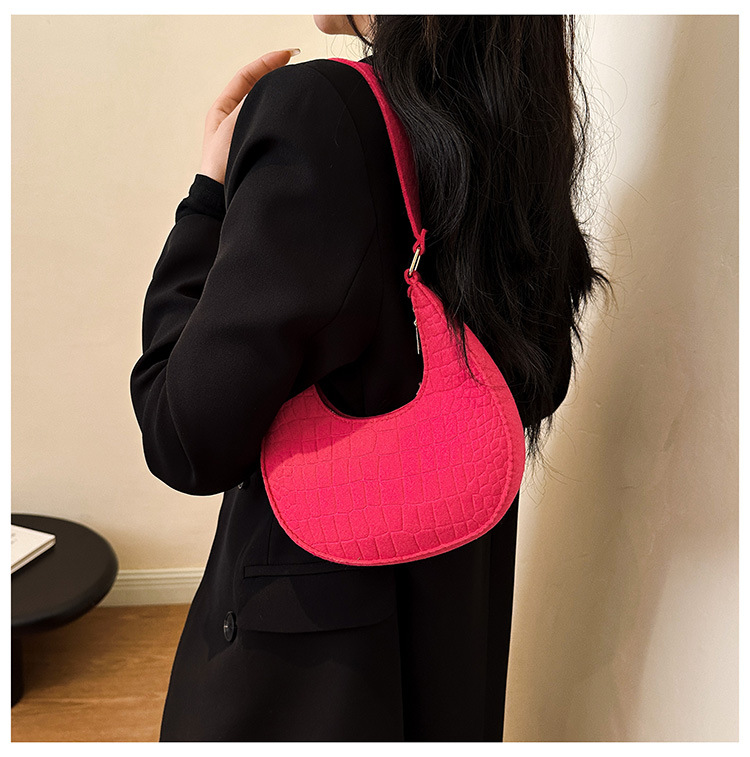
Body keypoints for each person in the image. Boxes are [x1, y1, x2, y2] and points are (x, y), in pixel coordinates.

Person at [129, 14, 611, 742]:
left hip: (306, 671)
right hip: (454, 636)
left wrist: (207, 193)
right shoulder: (514, 122)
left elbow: (183, 435)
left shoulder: (320, 113)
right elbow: (535, 385)